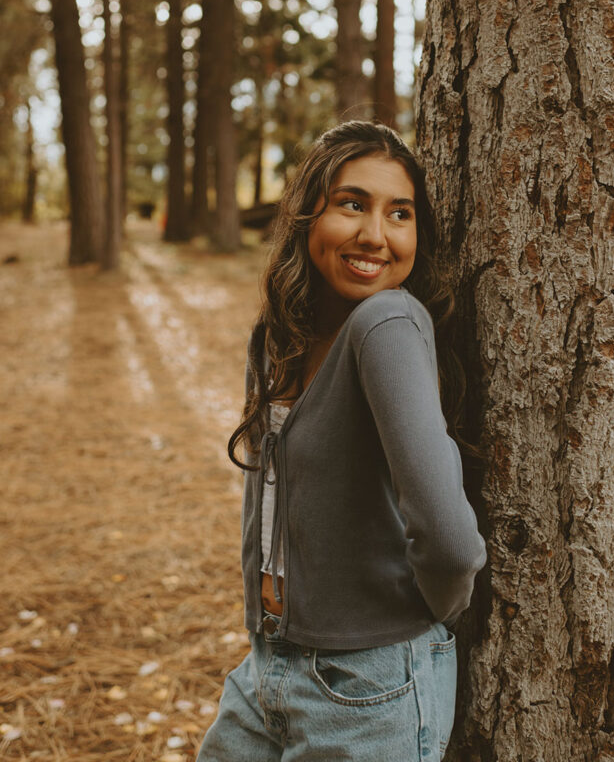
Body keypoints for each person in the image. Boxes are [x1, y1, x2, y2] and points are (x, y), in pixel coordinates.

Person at [197, 121, 486, 762]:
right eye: (352, 203)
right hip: (266, 669)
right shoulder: (279, 338)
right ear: (307, 215)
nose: (374, 235)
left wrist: (417, 621)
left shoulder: (385, 323)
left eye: (400, 213)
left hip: (368, 686)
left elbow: (448, 535)